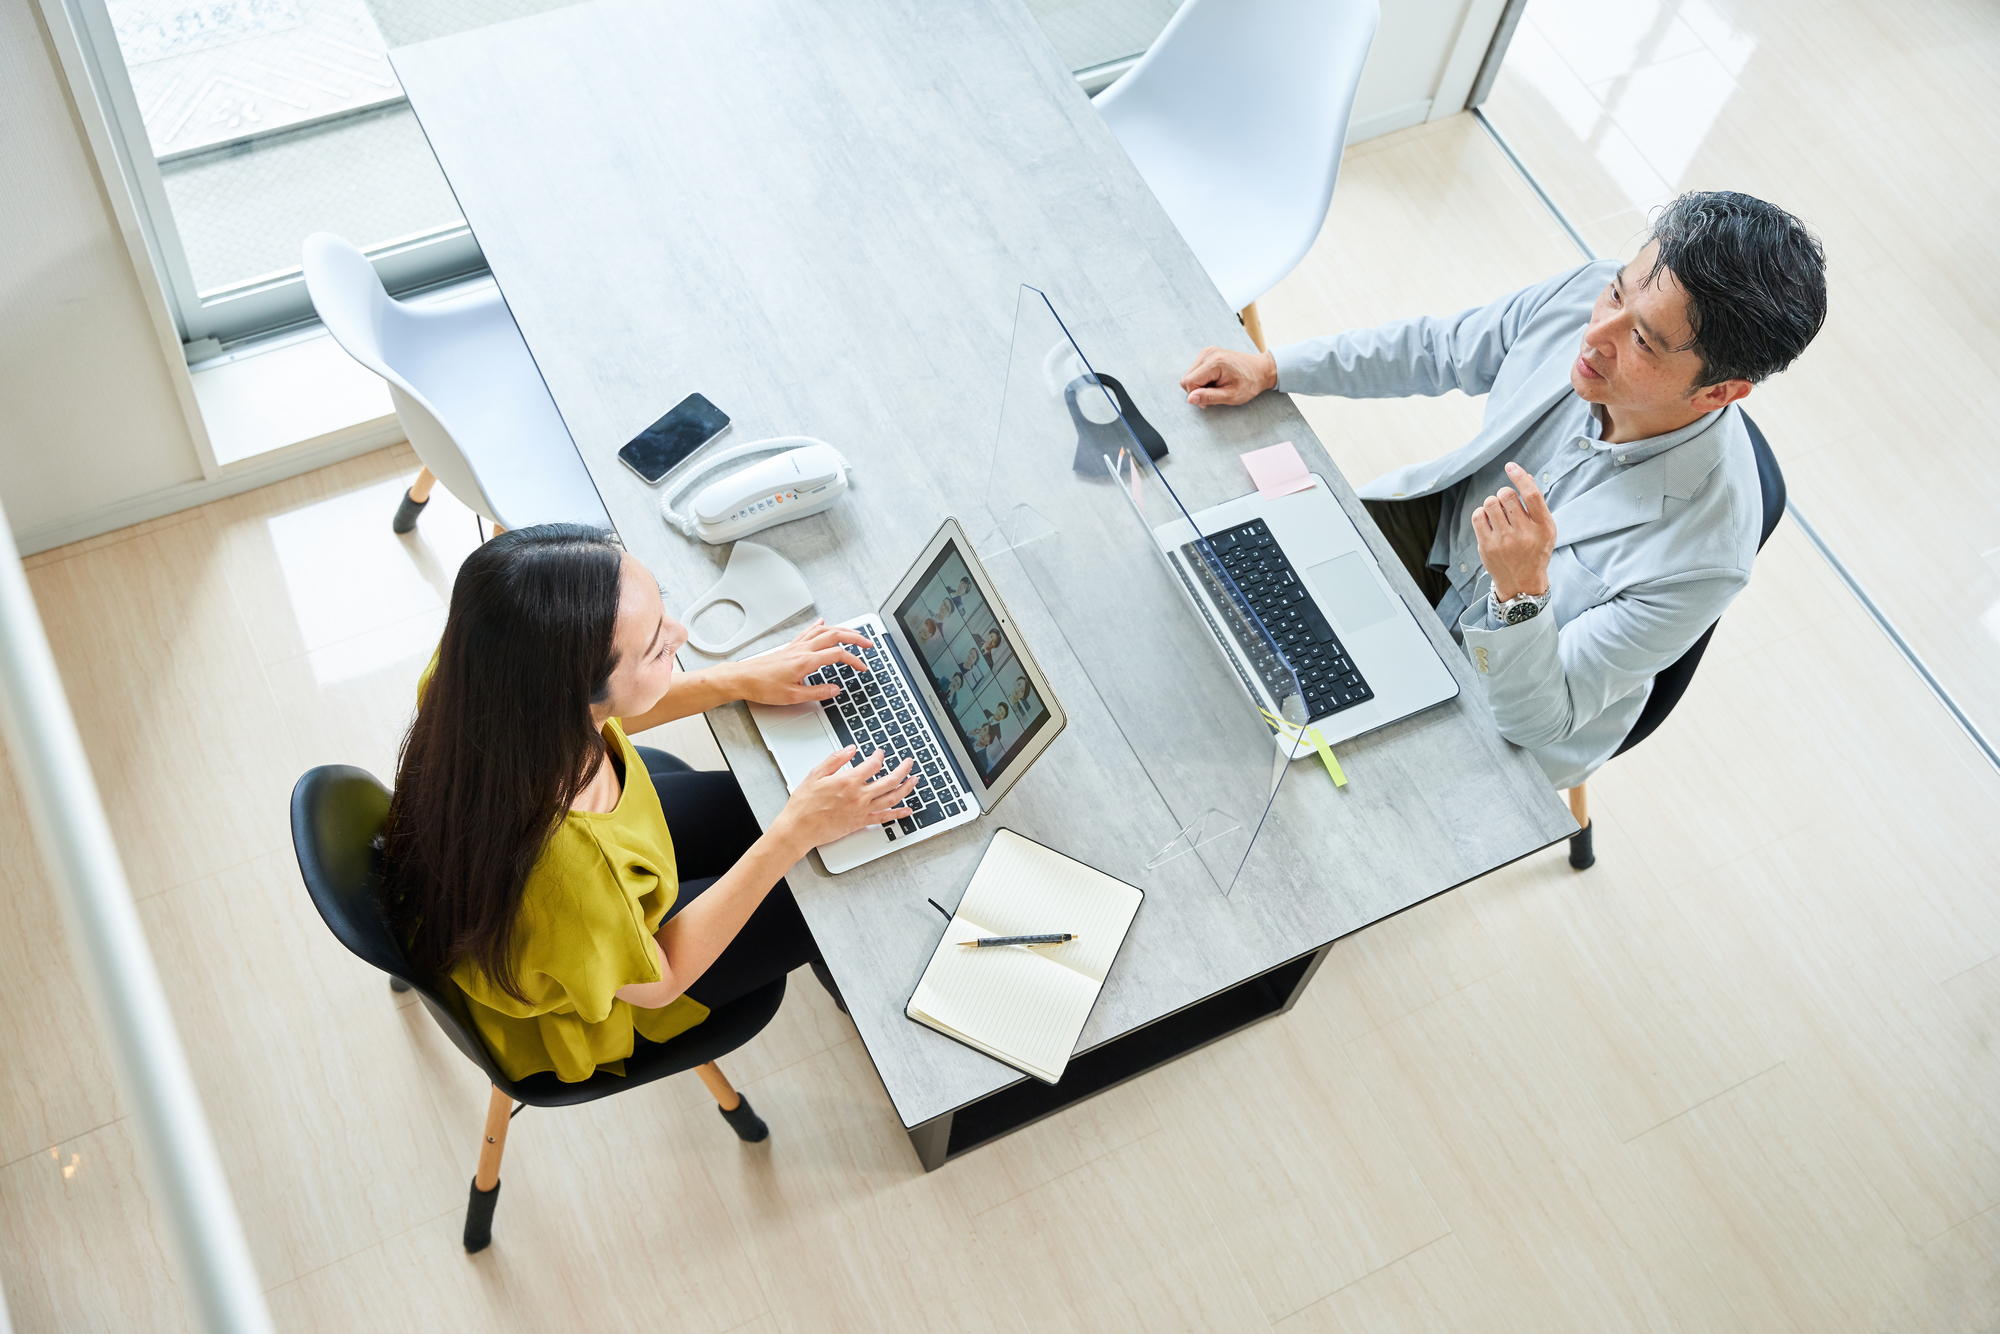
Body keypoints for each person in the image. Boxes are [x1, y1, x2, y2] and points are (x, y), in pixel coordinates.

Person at [1179, 191, 1826, 792]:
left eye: (1641, 340)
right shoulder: (1585, 298)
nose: (1596, 334)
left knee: (1310, 786)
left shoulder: (1706, 556)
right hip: (1444, 534)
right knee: (1229, 594)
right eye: (1616, 293)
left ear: (1720, 391)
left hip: (1512, 688)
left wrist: (1522, 593)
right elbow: (1438, 349)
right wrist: (1272, 368)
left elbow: (1541, 718)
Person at [378, 525, 917, 1085]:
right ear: (574, 693)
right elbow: (662, 980)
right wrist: (793, 834)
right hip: (622, 983)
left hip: (560, 898)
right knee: (831, 888)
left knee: (773, 812)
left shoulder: (483, 670)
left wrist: (740, 678)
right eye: (658, 647)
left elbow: (609, 707)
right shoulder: (572, 874)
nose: (680, 634)